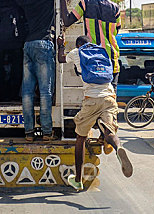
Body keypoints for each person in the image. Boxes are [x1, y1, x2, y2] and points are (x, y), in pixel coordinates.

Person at [4, 0, 68, 141]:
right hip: (44, 45)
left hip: (28, 46)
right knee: (46, 91)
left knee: (27, 92)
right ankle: (47, 132)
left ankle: (29, 132)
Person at [57, 34, 133, 191]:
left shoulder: (77, 53)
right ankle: (118, 148)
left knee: (80, 137)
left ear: (78, 45)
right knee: (108, 130)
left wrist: (60, 45)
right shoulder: (100, 52)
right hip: (109, 97)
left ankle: (78, 180)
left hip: (92, 98)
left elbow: (61, 59)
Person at [58, 0, 122, 92]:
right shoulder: (116, 9)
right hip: (110, 58)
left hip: (91, 59)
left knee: (91, 94)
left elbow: (67, 21)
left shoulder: (86, 2)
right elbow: (116, 32)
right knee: (110, 98)